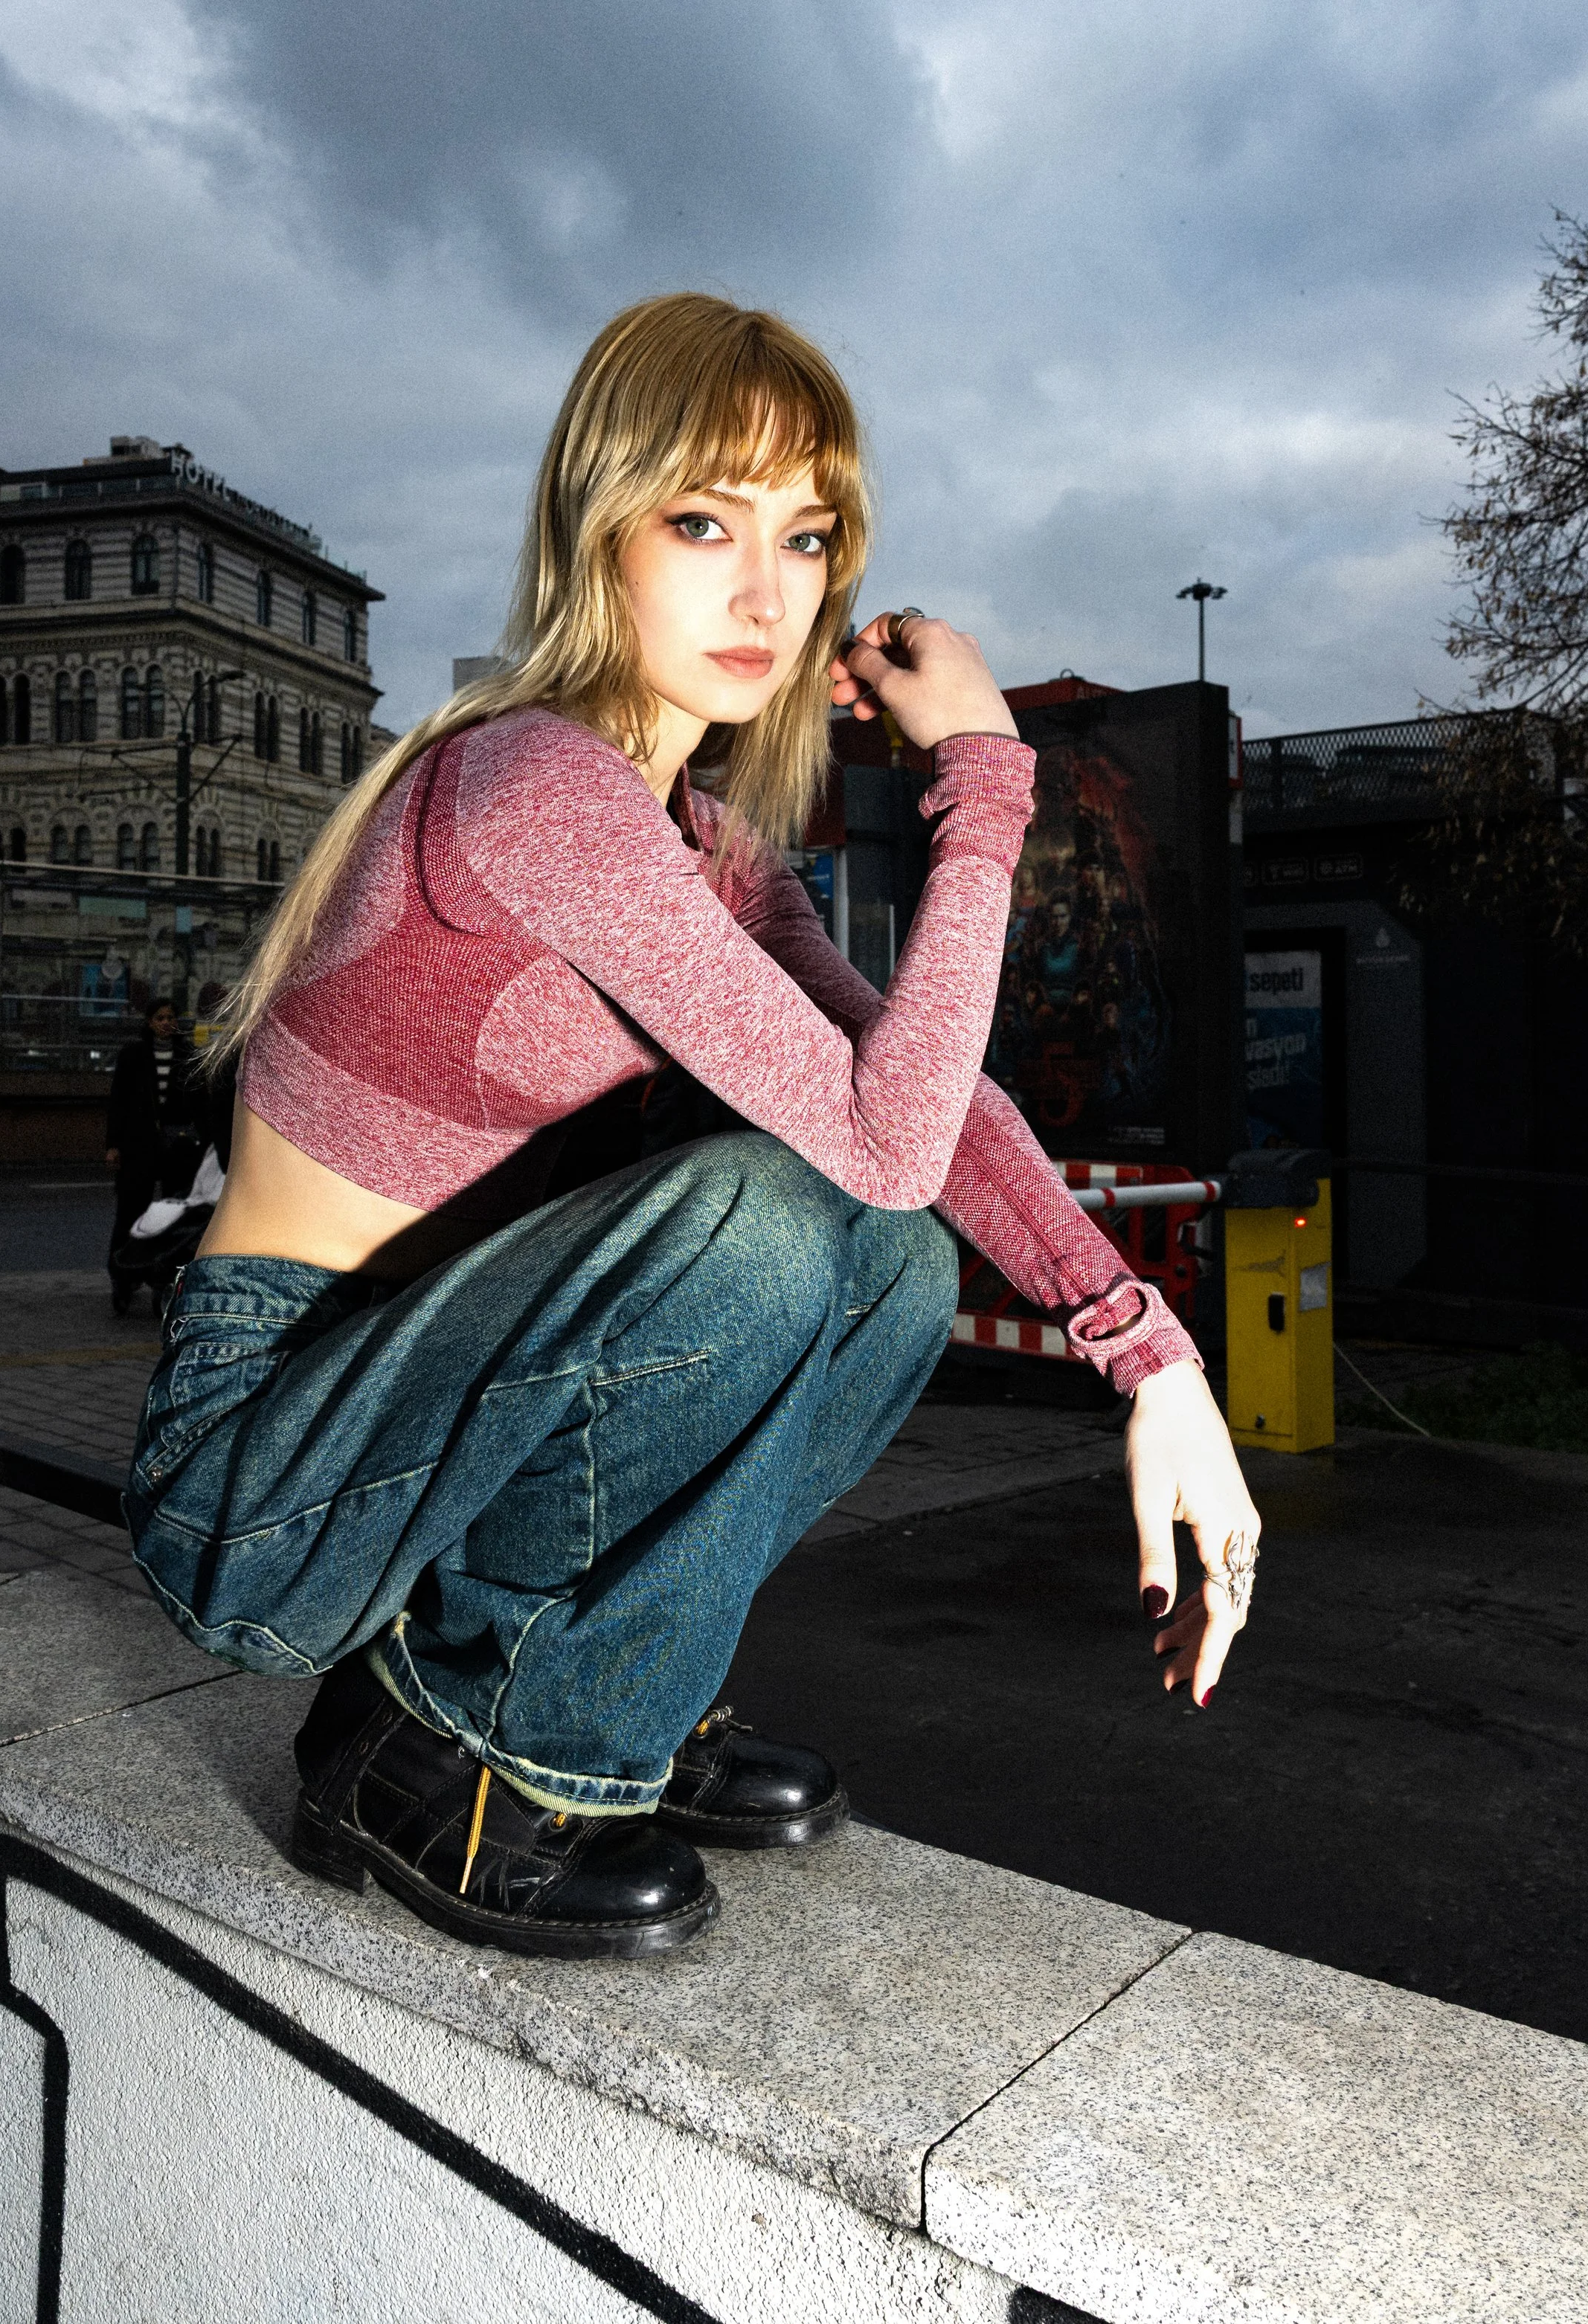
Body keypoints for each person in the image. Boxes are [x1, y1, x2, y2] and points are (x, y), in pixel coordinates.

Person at [126, 293, 1262, 1962]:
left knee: (876, 1255)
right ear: (599, 532)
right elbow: (871, 1140)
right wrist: (985, 789)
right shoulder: (537, 785)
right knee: (778, 1212)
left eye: (804, 539)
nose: (761, 590)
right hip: (266, 1471)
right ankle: (456, 1742)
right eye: (700, 521)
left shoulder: (706, 842)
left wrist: (1147, 1354)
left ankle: (612, 1687)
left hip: (419, 1421)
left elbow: (928, 1126)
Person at [104, 1000, 200, 1313]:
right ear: (149, 1022)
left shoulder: (187, 1055)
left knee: (175, 1213)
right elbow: (118, 1102)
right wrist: (113, 1145)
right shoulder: (132, 1055)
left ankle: (166, 1278)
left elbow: (199, 1101)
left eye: (171, 1017)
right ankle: (123, 1275)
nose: (166, 1023)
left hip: (177, 1147)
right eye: (159, 1017)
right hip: (138, 1146)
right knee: (131, 1211)